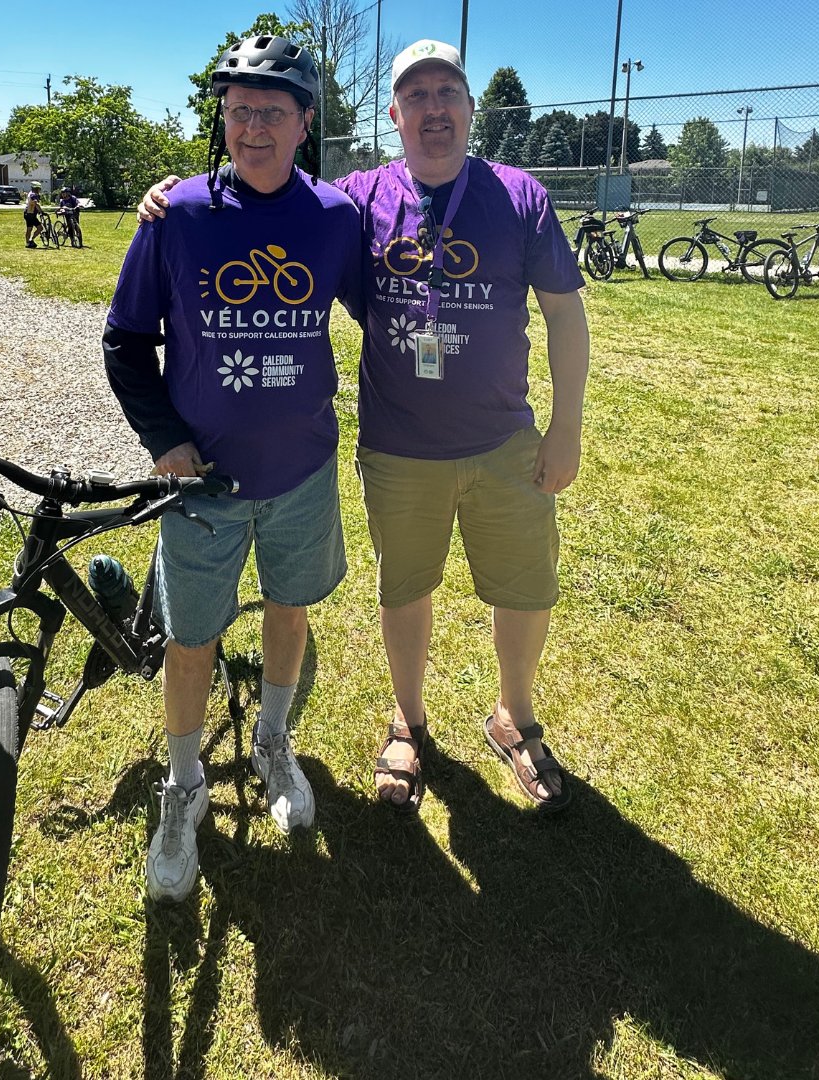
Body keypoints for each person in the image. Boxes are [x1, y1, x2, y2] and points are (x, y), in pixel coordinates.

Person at [141, 39, 590, 816]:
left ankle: (515, 717)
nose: (433, 109)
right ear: (394, 114)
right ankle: (408, 724)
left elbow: (564, 313)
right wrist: (179, 192)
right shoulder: (358, 199)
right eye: (415, 96)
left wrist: (566, 429)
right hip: (400, 445)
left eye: (447, 91)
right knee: (404, 589)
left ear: (470, 106)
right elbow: (270, 194)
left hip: (505, 440)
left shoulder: (521, 195)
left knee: (523, 590)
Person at [104, 34, 362, 903]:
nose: (253, 126)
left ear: (304, 123)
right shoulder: (176, 214)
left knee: (289, 611)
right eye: (239, 108)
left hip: (301, 472)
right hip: (202, 483)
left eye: (273, 111)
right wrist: (164, 441)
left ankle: (272, 743)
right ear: (222, 117)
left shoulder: (334, 217)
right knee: (191, 638)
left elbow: (392, 291)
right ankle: (184, 788)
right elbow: (126, 341)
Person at [23, 181, 43, 248]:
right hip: (29, 214)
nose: (39, 190)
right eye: (39, 189)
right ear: (36, 188)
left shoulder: (33, 194)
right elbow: (36, 204)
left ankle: (31, 240)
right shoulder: (33, 195)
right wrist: (41, 211)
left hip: (32, 214)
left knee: (40, 228)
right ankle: (28, 243)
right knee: (29, 229)